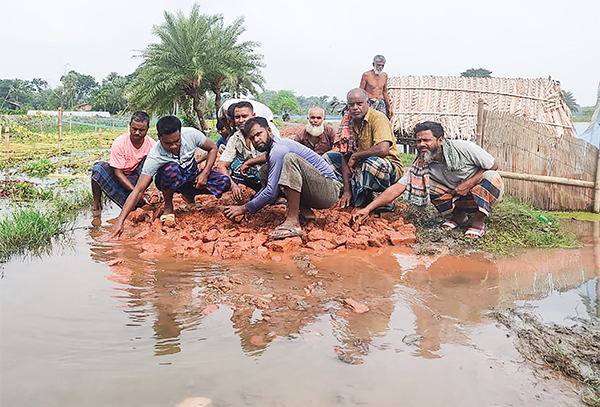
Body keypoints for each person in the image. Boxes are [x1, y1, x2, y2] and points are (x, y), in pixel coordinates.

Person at [353, 121, 504, 239]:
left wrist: (468, 183)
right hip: (457, 196)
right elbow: (398, 187)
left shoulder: (464, 148)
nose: (421, 144)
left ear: (440, 140)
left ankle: (478, 220)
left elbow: (493, 165)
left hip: (480, 193)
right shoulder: (422, 162)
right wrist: (368, 209)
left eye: (426, 140)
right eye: (418, 141)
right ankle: (459, 216)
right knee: (422, 183)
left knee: (492, 177)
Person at [109, 116, 230, 237]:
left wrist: (205, 173)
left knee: (224, 182)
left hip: (192, 175)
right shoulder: (155, 156)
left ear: (180, 133)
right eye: (168, 143)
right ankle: (168, 205)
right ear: (159, 137)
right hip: (172, 178)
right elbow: (138, 189)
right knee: (171, 169)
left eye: (177, 141)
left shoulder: (192, 134)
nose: (173, 146)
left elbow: (213, 148)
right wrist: (120, 220)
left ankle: (189, 195)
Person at [223, 117, 342, 239]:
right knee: (266, 171)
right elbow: (268, 187)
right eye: (252, 138)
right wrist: (250, 207)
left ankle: (293, 221)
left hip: (329, 190)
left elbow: (271, 192)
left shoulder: (278, 149)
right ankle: (306, 212)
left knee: (290, 159)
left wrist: (244, 208)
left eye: (259, 134)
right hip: (317, 190)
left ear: (269, 131)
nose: (256, 140)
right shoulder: (273, 150)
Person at [323, 88, 404, 209]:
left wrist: (356, 156)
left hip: (385, 167)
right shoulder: (347, 122)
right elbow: (344, 156)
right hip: (359, 165)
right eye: (351, 105)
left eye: (359, 104)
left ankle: (375, 200)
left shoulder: (378, 118)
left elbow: (383, 150)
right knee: (327, 159)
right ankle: (345, 194)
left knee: (371, 163)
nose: (355, 107)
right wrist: (346, 190)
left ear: (368, 104)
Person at [91, 111, 156, 222]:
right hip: (120, 177)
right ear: (129, 126)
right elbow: (118, 173)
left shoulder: (152, 145)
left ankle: (135, 200)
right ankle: (96, 204)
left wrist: (156, 190)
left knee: (149, 161)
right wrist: (137, 193)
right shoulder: (120, 142)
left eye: (141, 130)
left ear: (147, 129)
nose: (136, 133)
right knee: (98, 168)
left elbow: (156, 170)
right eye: (134, 129)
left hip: (137, 179)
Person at [217, 101, 267, 202]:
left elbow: (277, 154)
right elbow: (221, 165)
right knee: (233, 167)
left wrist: (249, 162)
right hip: (254, 174)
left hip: (269, 172)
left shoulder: (266, 130)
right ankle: (259, 192)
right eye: (237, 117)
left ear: (253, 116)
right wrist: (233, 186)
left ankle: (277, 195)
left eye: (244, 116)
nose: (241, 120)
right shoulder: (235, 138)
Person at [360, 54, 393, 119]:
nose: (380, 67)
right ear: (373, 64)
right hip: (370, 102)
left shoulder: (384, 76)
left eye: (382, 65)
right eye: (378, 65)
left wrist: (389, 107)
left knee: (382, 121)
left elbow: (385, 92)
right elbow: (361, 91)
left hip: (381, 103)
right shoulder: (366, 75)